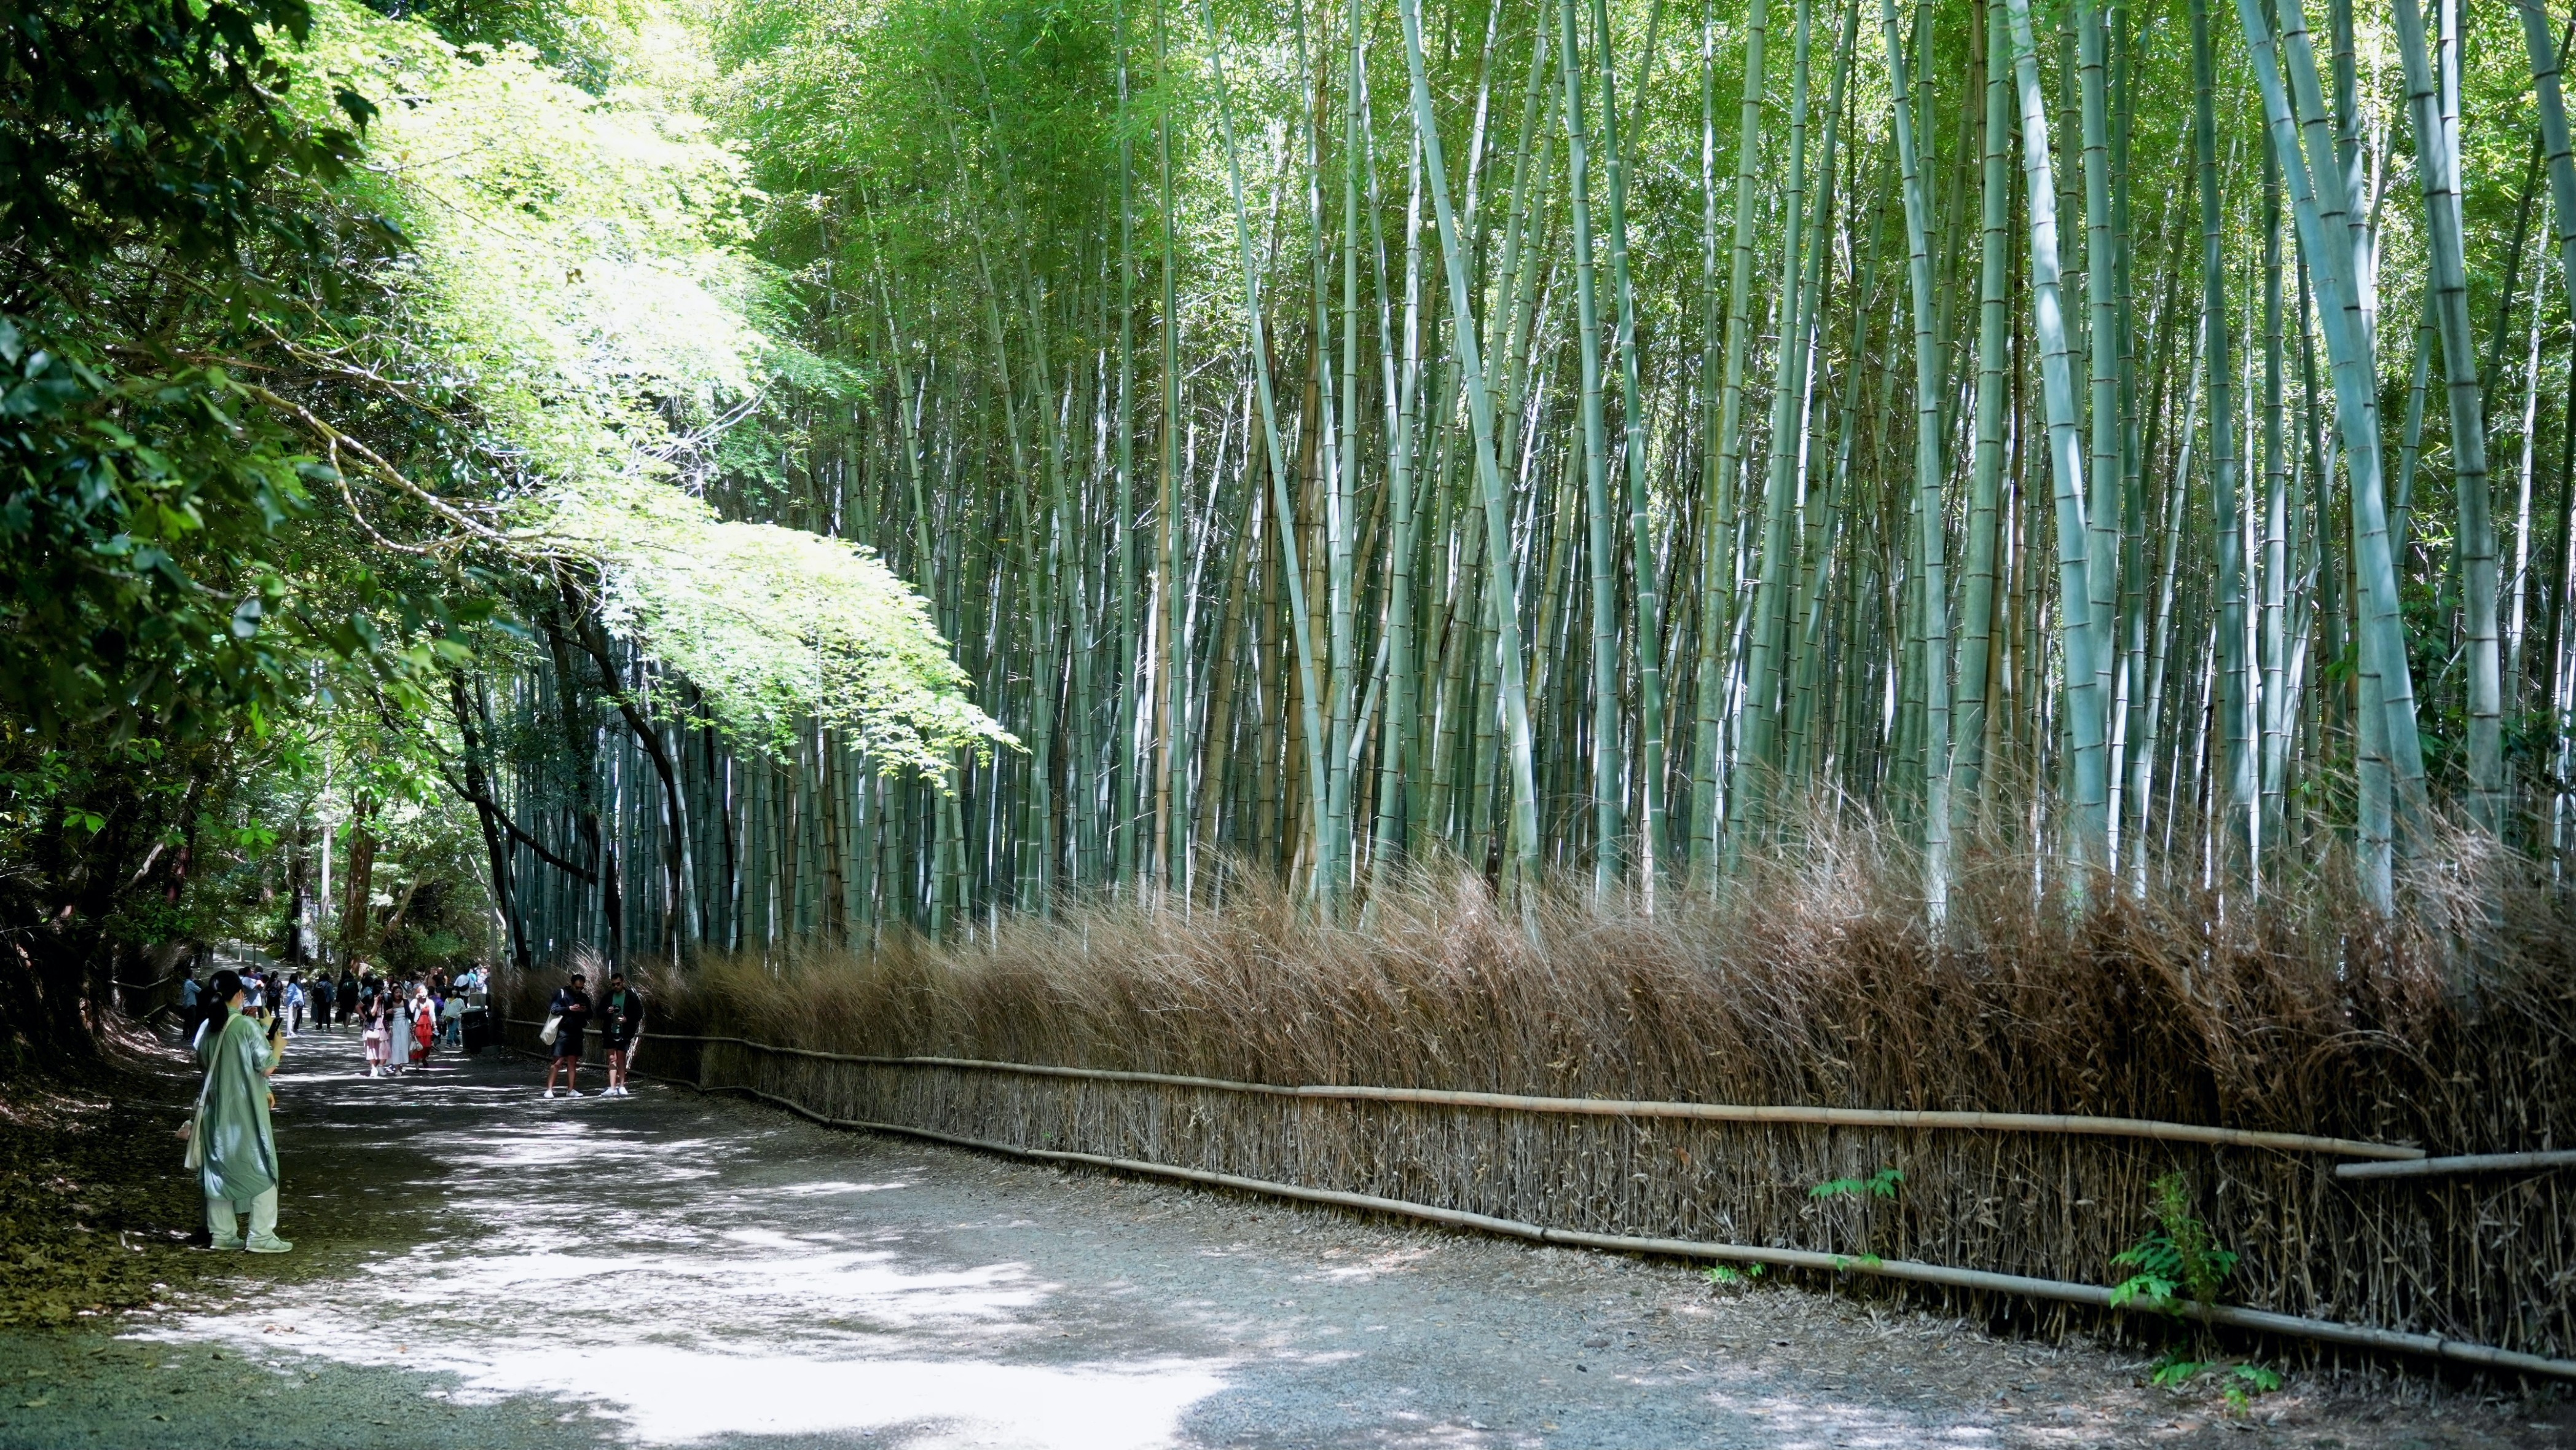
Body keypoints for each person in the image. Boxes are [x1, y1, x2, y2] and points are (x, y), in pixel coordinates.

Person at [190, 969, 291, 1253]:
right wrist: (278, 1045)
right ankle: (261, 1236)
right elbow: (267, 1066)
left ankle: (222, 1235)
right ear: (240, 995)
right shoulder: (246, 1027)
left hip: (215, 1112)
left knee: (219, 1172)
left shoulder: (207, 1030)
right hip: (246, 1112)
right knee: (263, 1169)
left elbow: (214, 1070)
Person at [542, 972, 591, 1098]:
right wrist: (569, 1009)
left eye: (582, 988)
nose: (579, 990)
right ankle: (549, 1090)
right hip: (562, 1032)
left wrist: (585, 1011)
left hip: (577, 1032)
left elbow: (591, 1014)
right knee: (557, 1062)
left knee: (573, 1062)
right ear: (571, 984)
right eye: (577, 987)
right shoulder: (562, 994)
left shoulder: (584, 997)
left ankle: (571, 1090)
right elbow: (554, 1009)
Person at [597, 972, 644, 1097]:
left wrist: (627, 1019)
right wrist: (607, 1011)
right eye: (613, 985)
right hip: (609, 1031)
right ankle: (612, 1087)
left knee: (621, 1058)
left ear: (623, 982)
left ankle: (622, 1086)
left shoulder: (631, 997)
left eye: (618, 984)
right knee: (612, 1059)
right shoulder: (608, 997)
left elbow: (639, 1014)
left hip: (625, 1031)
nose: (616, 986)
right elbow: (599, 1012)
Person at [361, 987, 394, 1078]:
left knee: (386, 1048)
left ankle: (381, 1066)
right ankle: (373, 1068)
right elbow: (372, 1013)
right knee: (371, 1048)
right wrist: (375, 1002)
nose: (382, 996)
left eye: (382, 994)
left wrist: (390, 1028)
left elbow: (387, 1016)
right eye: (380, 994)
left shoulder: (385, 1003)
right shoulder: (370, 1002)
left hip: (383, 1027)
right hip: (372, 1027)